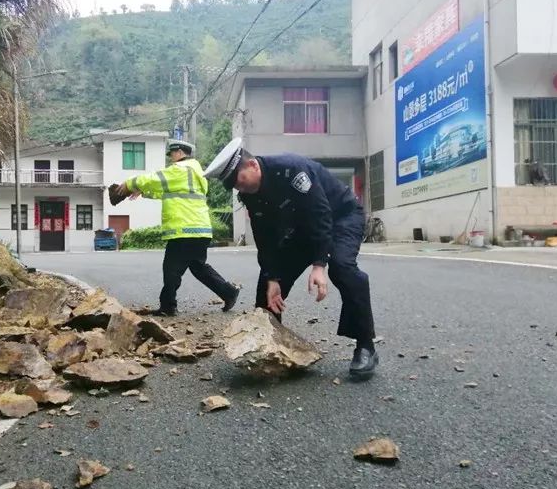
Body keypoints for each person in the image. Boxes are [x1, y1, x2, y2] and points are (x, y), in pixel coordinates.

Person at [203, 138, 378, 377]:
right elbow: (264, 238)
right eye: (235, 187)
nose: (239, 189)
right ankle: (270, 346)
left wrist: (319, 264)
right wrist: (274, 278)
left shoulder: (292, 170)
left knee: (342, 267)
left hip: (340, 217)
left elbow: (320, 214)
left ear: (253, 165)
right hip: (301, 230)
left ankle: (366, 346)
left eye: (240, 181)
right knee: (267, 285)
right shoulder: (250, 194)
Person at [116, 139, 240, 316]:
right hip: (200, 229)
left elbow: (154, 179)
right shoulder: (196, 173)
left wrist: (129, 184)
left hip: (185, 229)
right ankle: (228, 292)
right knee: (198, 267)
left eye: (172, 154)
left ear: (180, 152)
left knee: (171, 268)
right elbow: (165, 190)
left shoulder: (180, 169)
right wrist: (143, 192)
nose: (171, 158)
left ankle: (168, 306)